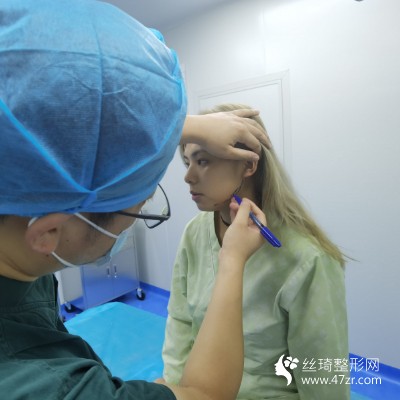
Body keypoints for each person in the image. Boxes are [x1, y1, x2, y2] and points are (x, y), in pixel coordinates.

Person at [0, 2, 271, 400]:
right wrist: (232, 261)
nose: (189, 176)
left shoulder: (18, 228)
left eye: (203, 161)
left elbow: (34, 106)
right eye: (137, 207)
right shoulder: (51, 387)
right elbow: (205, 393)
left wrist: (178, 125)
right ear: (47, 233)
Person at [162, 103, 350, 399]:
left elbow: (323, 379)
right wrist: (176, 392)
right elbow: (180, 322)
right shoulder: (195, 233)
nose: (188, 176)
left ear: (249, 165)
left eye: (203, 161)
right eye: (187, 163)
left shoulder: (306, 258)